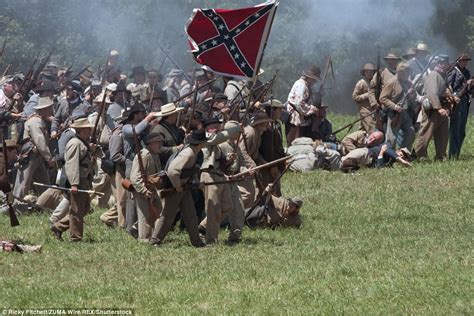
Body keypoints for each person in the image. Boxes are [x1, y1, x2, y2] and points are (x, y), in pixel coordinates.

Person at [149, 129, 208, 248]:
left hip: (183, 187)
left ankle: (196, 242)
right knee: (167, 216)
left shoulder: (193, 151)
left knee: (191, 215)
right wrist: (177, 186)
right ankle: (155, 240)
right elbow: (172, 171)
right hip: (176, 188)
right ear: (201, 142)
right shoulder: (189, 153)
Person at [51, 118, 94, 241]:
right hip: (77, 180)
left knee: (84, 208)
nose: (89, 130)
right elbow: (72, 164)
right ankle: (76, 237)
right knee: (76, 210)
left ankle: (58, 227)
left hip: (83, 179)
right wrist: (74, 183)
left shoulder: (82, 142)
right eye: (87, 128)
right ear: (81, 130)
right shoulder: (75, 143)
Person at [13, 97, 55, 213]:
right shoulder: (36, 121)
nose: (51, 111)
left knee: (44, 182)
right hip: (31, 155)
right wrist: (49, 158)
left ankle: (47, 205)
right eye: (50, 109)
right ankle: (17, 208)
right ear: (45, 109)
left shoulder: (38, 120)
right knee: (23, 184)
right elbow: (39, 141)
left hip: (36, 156)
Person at [414, 55, 452, 161]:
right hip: (433, 110)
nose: (444, 65)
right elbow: (432, 93)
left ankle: (441, 156)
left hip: (442, 109)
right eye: (442, 63)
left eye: (445, 63)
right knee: (426, 133)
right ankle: (419, 155)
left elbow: (445, 92)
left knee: (443, 135)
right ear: (437, 64)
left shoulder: (443, 76)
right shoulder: (433, 75)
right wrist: (438, 108)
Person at [130, 132, 164, 242]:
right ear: (151, 143)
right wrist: (143, 191)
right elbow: (135, 177)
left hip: (151, 188)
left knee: (158, 210)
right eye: (158, 142)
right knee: (145, 216)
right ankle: (144, 240)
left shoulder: (154, 155)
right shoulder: (144, 155)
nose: (160, 145)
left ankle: (135, 228)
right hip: (142, 189)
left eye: (161, 142)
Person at [379, 62, 417, 150]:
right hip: (394, 113)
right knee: (391, 138)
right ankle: (389, 157)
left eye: (408, 72)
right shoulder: (391, 82)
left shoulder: (408, 83)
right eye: (406, 72)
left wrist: (412, 94)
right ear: (400, 72)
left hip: (405, 112)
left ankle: (403, 154)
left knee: (410, 133)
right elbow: (382, 98)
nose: (408, 74)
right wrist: (395, 106)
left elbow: (413, 98)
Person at [238, 111, 271, 208]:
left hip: (248, 166)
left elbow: (254, 152)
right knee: (247, 193)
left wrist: (262, 161)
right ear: (259, 124)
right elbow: (241, 151)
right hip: (241, 167)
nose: (267, 126)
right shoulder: (250, 132)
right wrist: (253, 164)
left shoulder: (257, 134)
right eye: (265, 123)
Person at [447, 53, 473, 159]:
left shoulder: (467, 72)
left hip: (465, 102)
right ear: (459, 61)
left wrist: (470, 85)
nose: (465, 62)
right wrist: (453, 98)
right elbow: (448, 87)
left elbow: (468, 90)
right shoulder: (453, 71)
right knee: (455, 129)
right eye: (463, 60)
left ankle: (456, 154)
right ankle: (452, 155)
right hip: (456, 102)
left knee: (462, 131)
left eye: (466, 60)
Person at [286, 65, 319, 145]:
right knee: (295, 143)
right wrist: (313, 109)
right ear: (309, 77)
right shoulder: (302, 85)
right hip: (296, 119)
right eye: (314, 80)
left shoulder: (305, 85)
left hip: (301, 119)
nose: (315, 82)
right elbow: (299, 104)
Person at [259, 100, 286, 196]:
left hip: (277, 162)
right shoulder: (266, 127)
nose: (281, 112)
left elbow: (278, 145)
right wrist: (272, 166)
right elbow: (267, 149)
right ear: (273, 111)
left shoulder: (277, 124)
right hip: (268, 164)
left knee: (277, 191)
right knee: (269, 192)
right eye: (279, 110)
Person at [352, 63, 377, 132]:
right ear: (364, 73)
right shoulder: (361, 83)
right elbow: (354, 97)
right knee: (371, 128)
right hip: (364, 109)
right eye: (367, 71)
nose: (369, 73)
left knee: (362, 130)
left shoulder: (375, 83)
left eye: (371, 71)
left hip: (373, 110)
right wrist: (367, 95)